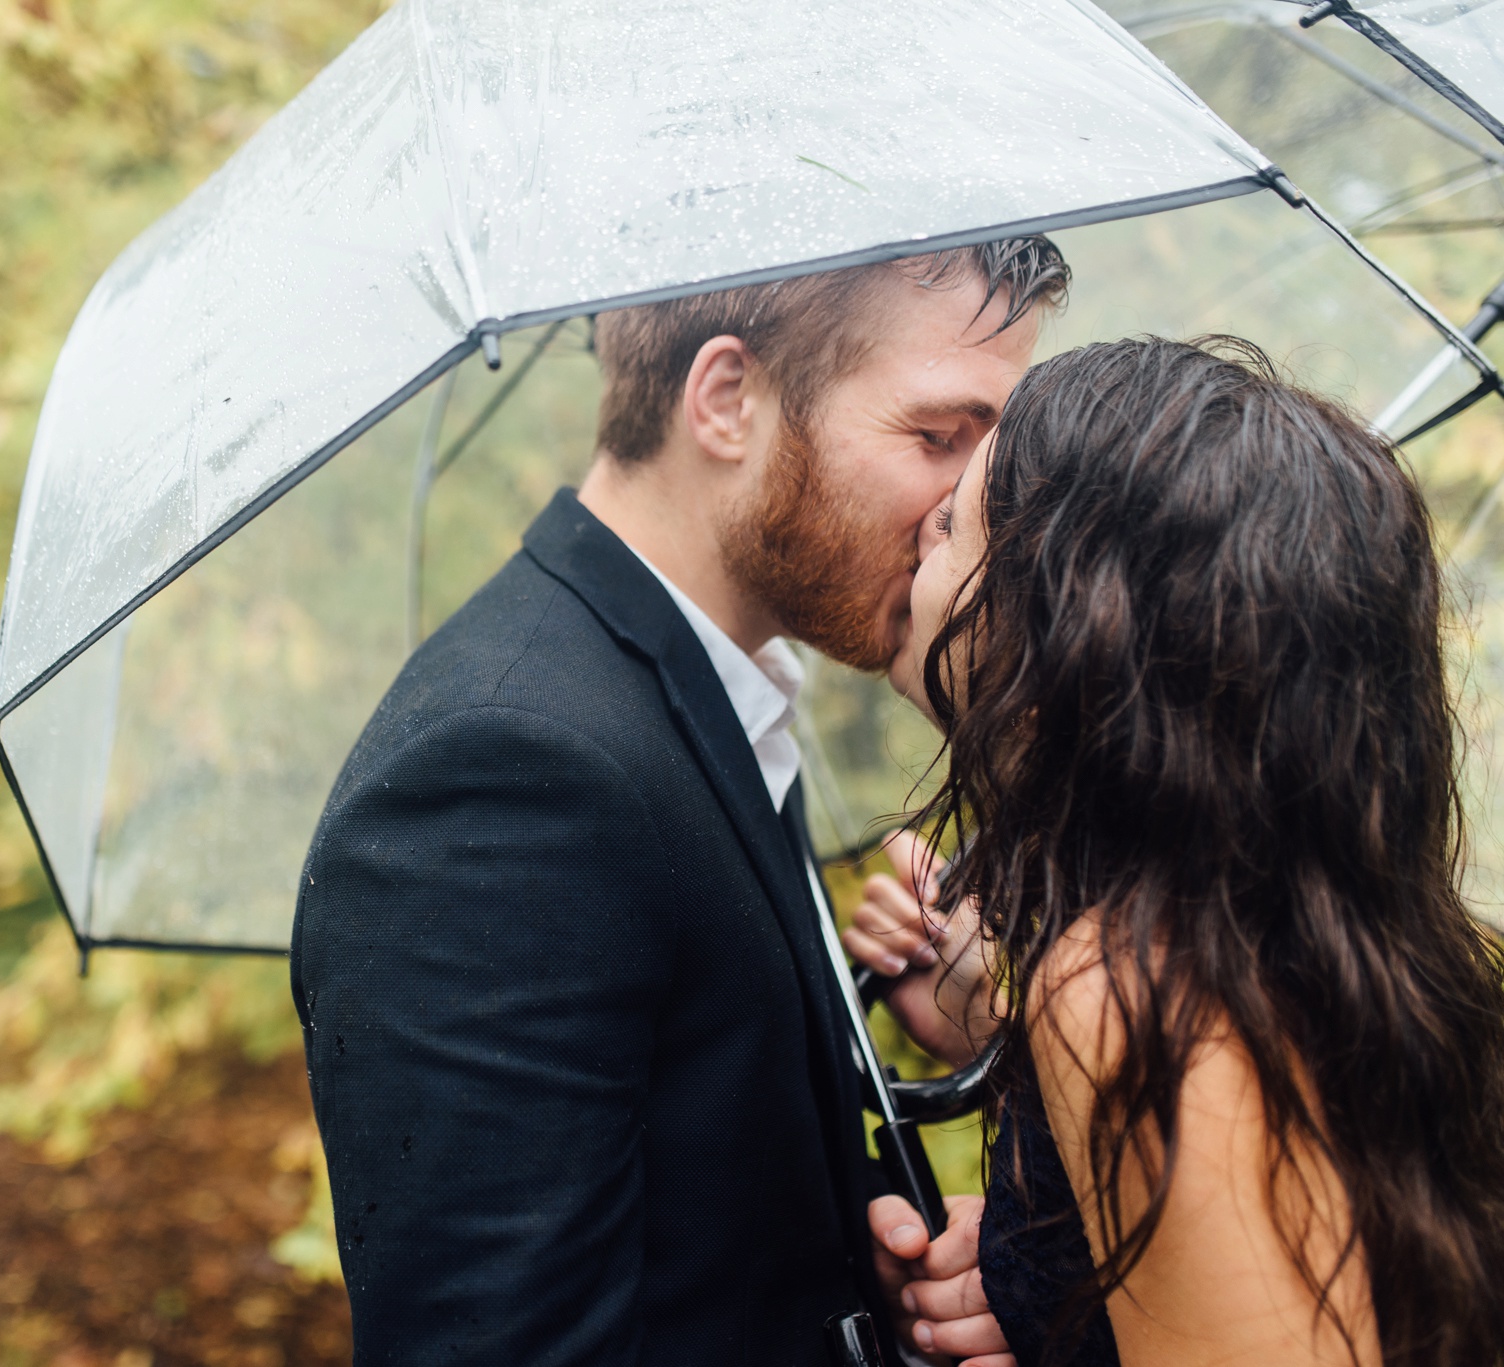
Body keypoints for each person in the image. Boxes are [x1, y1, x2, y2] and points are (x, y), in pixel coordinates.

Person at [290, 239, 1069, 1364]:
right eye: (937, 437)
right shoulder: (504, 770)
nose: (970, 502)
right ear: (725, 399)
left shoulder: (710, 691)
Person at [849, 336, 1504, 1367]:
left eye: (947, 526)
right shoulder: (1293, 942)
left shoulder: (1126, 994)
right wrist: (1053, 1276)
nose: (913, 549)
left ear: (1063, 623)